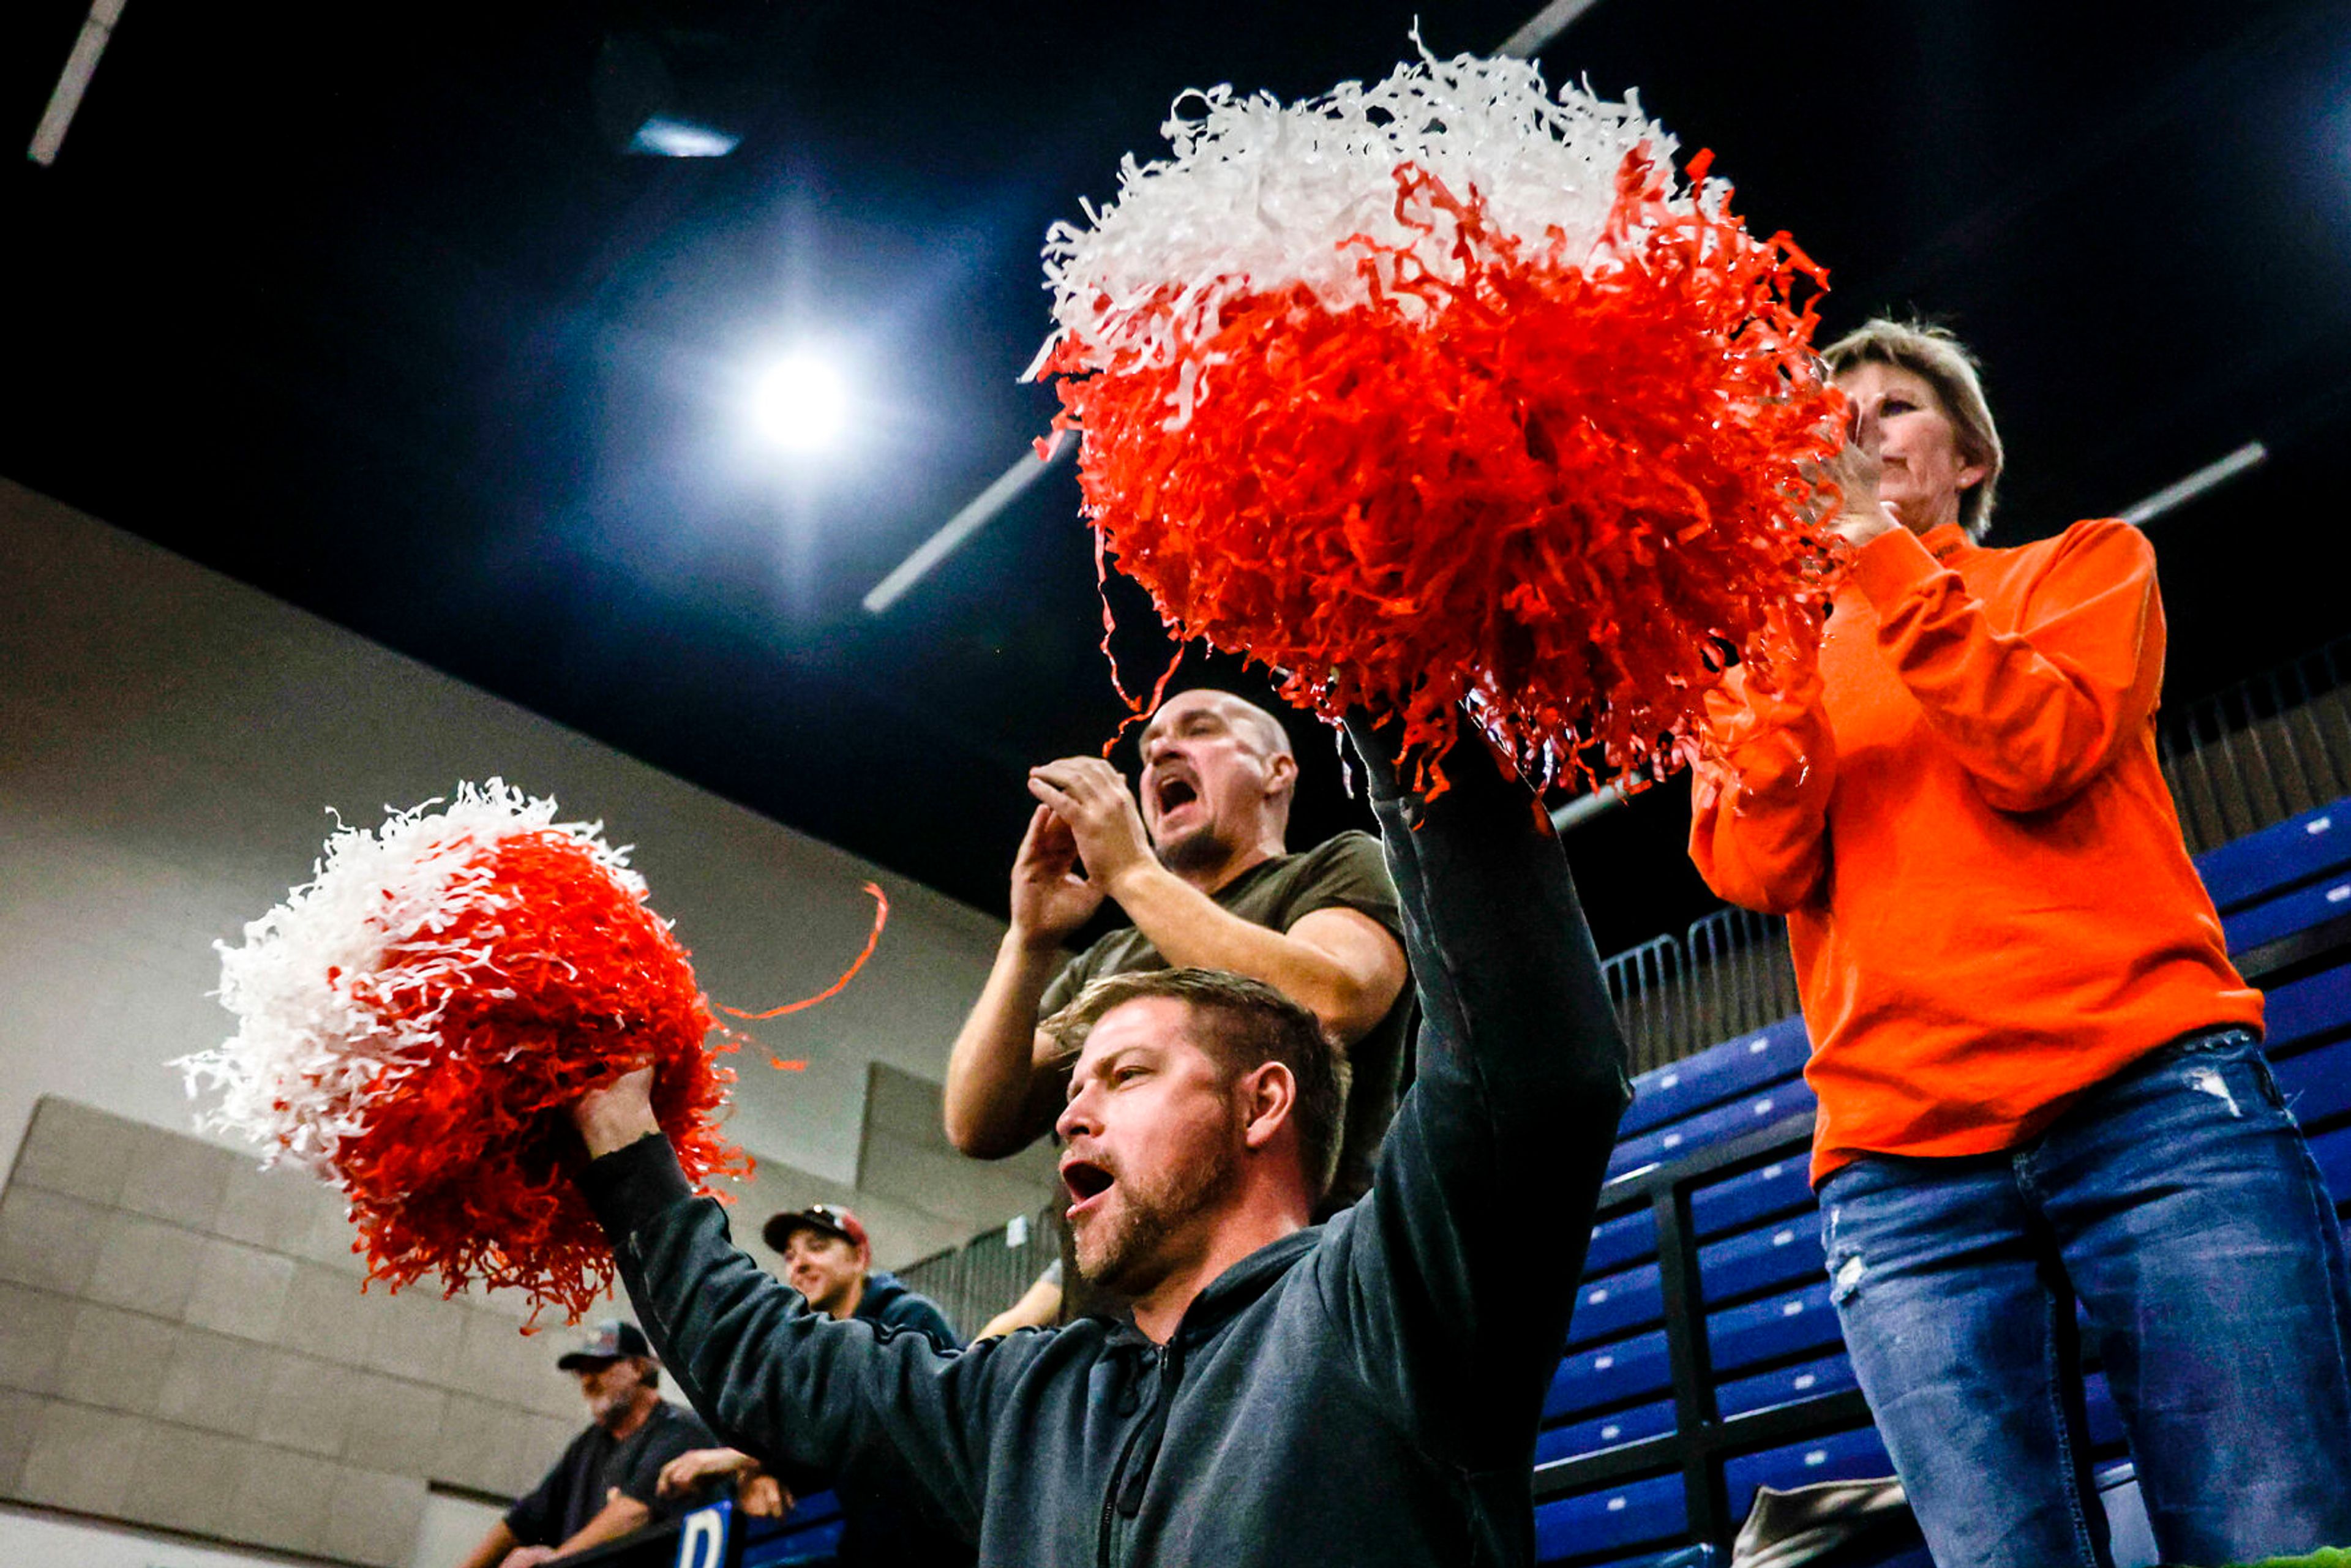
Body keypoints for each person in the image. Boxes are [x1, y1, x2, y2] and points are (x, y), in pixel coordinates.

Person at [563, 714, 1628, 1566]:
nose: (1074, 1111)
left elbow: (1534, 1072)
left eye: (1124, 1076)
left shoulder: (1383, 1304)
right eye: (1078, 1084)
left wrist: (1406, 697)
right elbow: (774, 1359)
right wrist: (618, 1135)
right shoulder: (1032, 1402)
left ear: (1262, 1105)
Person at [1688, 317, 2351, 1565]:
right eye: (1829, 416)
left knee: (2275, 1532)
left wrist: (1874, 554)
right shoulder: (1763, 669)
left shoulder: (2086, 564)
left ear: (1971, 457)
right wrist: (1788, 616)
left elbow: (2035, 749)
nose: (1854, 429)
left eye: (1891, 407)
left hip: (2149, 1098)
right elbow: (1753, 860)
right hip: (1898, 1166)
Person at [944, 687, 1412, 1325]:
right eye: (1149, 746)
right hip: (1113, 1346)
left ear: (1277, 770)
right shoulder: (1107, 957)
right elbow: (975, 1122)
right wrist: (1027, 940)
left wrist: (1132, 872)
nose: (1161, 746)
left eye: (1200, 728)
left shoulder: (1334, 868)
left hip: (1281, 1319)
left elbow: (1329, 999)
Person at [656, 1204, 970, 1566]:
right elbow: (774, 1422)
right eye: (790, 1256)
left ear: (860, 1258)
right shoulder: (806, 1347)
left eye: (817, 1247)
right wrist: (755, 1474)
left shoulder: (910, 1317)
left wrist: (735, 1459)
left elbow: (871, 1426)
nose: (799, 1264)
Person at [452, 1319, 720, 1568]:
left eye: (600, 1367)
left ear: (638, 1368)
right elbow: (524, 1521)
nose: (588, 1380)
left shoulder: (680, 1430)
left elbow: (633, 1513)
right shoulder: (590, 1443)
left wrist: (555, 1562)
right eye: (582, 1372)